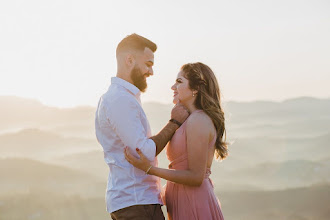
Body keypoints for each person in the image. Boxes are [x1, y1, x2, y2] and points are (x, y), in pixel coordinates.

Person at [95, 33, 189, 220]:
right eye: (148, 64)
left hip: (133, 201)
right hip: (137, 203)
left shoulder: (121, 97)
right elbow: (143, 152)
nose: (151, 72)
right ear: (129, 60)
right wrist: (174, 122)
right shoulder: (120, 99)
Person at [125, 62, 227, 220]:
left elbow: (195, 177)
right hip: (183, 198)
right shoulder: (189, 120)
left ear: (195, 89)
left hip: (193, 201)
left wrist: (149, 169)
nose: (173, 87)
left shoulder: (198, 120)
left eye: (179, 82)